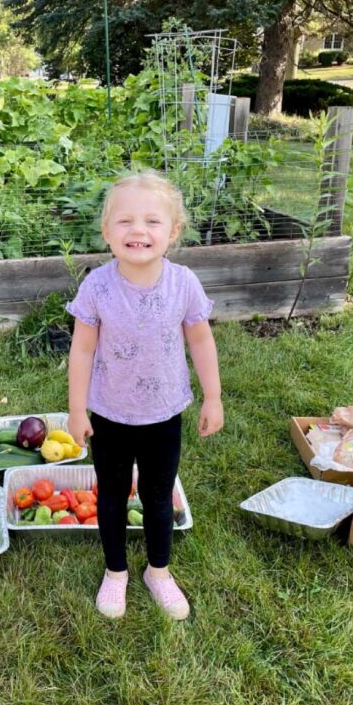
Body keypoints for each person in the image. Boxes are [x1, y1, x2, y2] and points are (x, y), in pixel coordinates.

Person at [65, 170, 223, 620]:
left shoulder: (183, 283)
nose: (138, 230)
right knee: (111, 496)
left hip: (163, 414)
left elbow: (200, 341)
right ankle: (115, 572)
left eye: (152, 221)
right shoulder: (97, 287)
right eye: (125, 221)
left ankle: (158, 571)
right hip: (109, 414)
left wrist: (213, 397)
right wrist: (77, 410)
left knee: (158, 496)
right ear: (106, 231)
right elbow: (82, 349)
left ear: (173, 232)